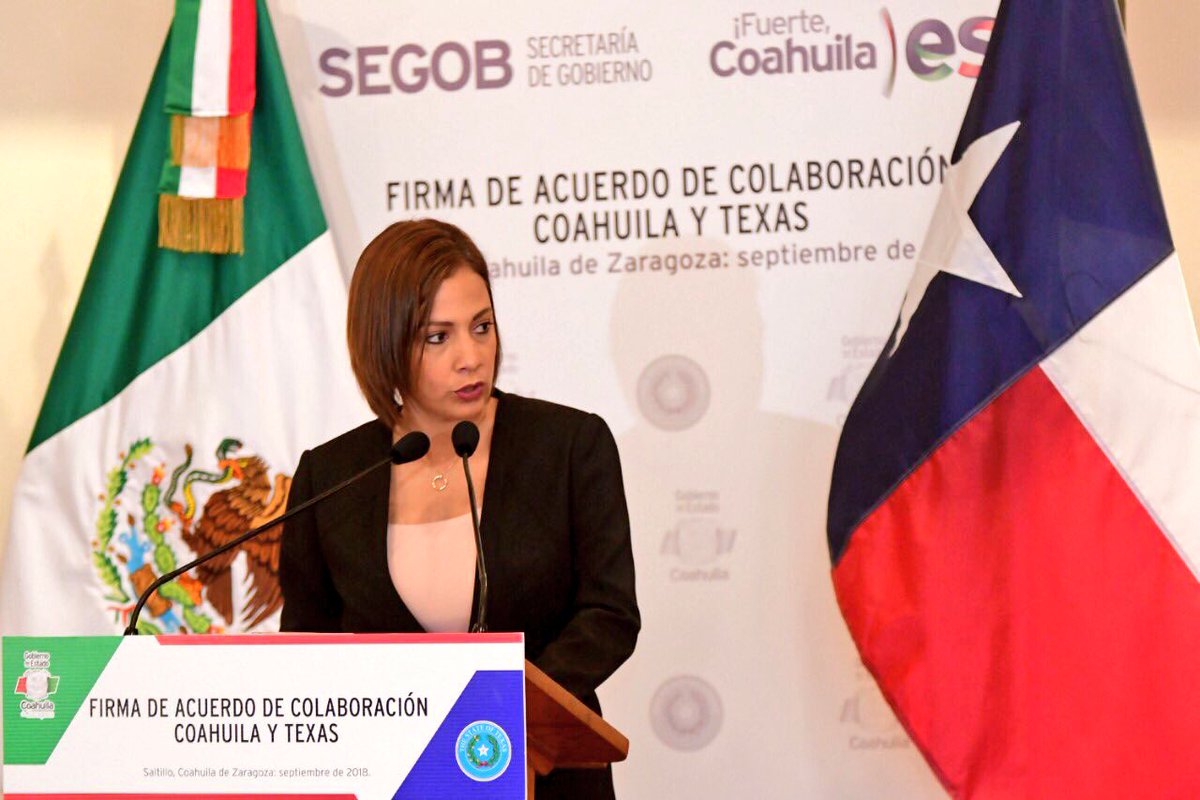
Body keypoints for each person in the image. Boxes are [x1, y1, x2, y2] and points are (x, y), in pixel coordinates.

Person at [279, 218, 640, 799]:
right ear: (383, 342)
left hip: (542, 776)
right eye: (437, 337)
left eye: (482, 326)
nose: (471, 357)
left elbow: (608, 613)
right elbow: (306, 647)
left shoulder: (569, 446)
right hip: (391, 780)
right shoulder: (332, 477)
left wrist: (502, 712)